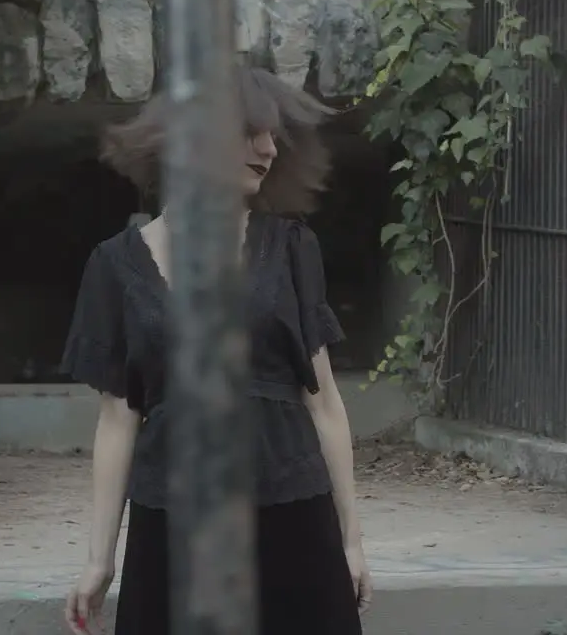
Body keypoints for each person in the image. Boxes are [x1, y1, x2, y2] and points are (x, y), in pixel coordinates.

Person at [59, 65, 373, 635]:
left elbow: (324, 403)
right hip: (172, 525)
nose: (269, 149)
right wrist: (98, 559)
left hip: (294, 515)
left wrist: (350, 540)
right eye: (251, 132)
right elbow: (117, 420)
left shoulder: (291, 248)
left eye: (274, 134)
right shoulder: (114, 265)